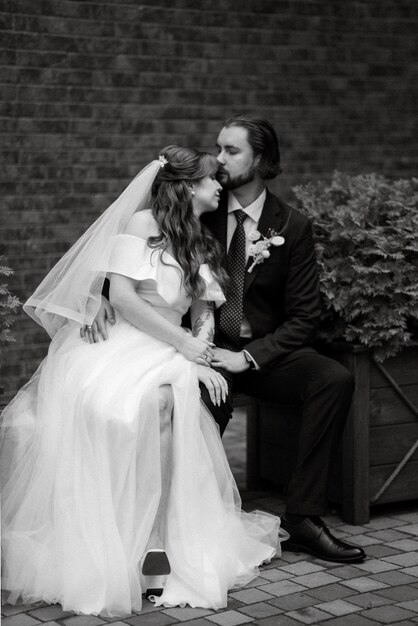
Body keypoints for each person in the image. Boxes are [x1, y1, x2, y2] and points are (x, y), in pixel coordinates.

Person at [0, 146, 286, 618]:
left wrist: (198, 356)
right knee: (146, 405)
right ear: (188, 186)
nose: (221, 186)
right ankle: (136, 538)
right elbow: (126, 299)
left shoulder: (199, 239)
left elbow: (203, 315)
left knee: (167, 402)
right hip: (123, 344)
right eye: (213, 179)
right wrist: (185, 348)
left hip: (170, 350)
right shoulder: (142, 225)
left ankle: (159, 539)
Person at [89, 116, 366, 564]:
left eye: (231, 151)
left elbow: (304, 317)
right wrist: (99, 297)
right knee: (190, 400)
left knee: (332, 379)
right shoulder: (199, 209)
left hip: (258, 354)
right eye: (218, 149)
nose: (219, 160)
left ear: (262, 160)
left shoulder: (291, 226)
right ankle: (182, 519)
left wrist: (250, 358)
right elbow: (135, 265)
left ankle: (304, 518)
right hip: (195, 348)